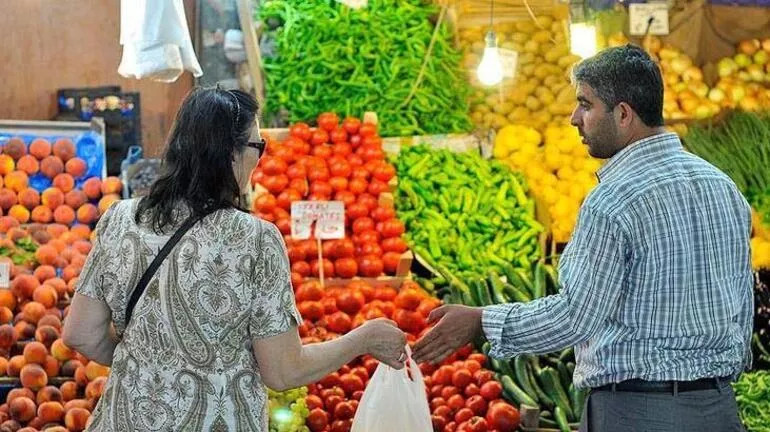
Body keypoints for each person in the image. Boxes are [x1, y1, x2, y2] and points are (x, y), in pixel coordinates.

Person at [413, 45, 753, 432]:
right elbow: (742, 305)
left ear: (623, 114)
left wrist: (481, 321)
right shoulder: (722, 186)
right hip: (719, 409)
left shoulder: (614, 200)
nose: (574, 118)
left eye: (585, 105)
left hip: (637, 413)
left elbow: (576, 315)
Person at [62, 87, 407, 431]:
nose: (259, 157)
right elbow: (284, 370)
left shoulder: (121, 219)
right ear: (231, 154)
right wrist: (363, 339)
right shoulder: (256, 240)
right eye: (258, 146)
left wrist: (151, 365)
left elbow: (80, 334)